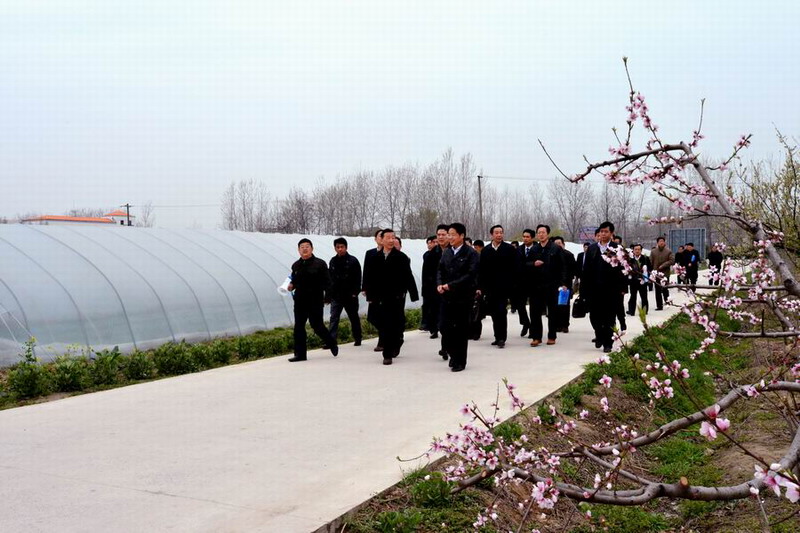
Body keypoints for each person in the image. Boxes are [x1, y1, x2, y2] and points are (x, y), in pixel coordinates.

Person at [368, 229, 419, 365]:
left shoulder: (401, 257)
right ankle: (388, 352)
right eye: (388, 238)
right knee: (385, 324)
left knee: (395, 323)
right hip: (380, 297)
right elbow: (370, 277)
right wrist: (370, 295)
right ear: (382, 239)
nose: (391, 240)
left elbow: (408, 276)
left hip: (396, 297)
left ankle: (395, 343)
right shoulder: (375, 257)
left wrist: (413, 294)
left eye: (393, 237)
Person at [287, 238, 338, 362]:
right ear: (298, 250)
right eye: (302, 247)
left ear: (312, 249)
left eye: (307, 246)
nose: (304, 249)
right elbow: (294, 280)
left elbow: (328, 282)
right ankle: (300, 354)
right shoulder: (296, 265)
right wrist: (291, 285)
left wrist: (328, 297)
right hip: (300, 300)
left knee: (317, 325)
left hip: (315, 300)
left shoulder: (320, 264)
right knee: (299, 326)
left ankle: (331, 342)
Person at [437, 223, 479, 372]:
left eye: (453, 234)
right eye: (449, 234)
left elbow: (470, 275)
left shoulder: (471, 253)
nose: (450, 237)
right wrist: (439, 284)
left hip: (463, 297)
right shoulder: (447, 252)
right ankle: (453, 354)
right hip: (447, 297)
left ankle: (459, 361)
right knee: (444, 327)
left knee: (460, 330)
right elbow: (440, 270)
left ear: (462, 236)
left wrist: (451, 285)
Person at [581, 221, 626, 353]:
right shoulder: (592, 248)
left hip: (611, 289)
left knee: (609, 317)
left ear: (611, 233)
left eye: (606, 232)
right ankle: (599, 334)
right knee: (594, 316)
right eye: (601, 231)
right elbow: (586, 270)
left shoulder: (617, 248)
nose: (603, 234)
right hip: (594, 289)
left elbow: (623, 269)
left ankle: (608, 343)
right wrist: (583, 290)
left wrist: (622, 288)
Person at [478, 225, 518, 348]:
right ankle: (497, 336)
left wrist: (512, 286)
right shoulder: (486, 250)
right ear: (492, 234)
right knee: (494, 313)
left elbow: (514, 268)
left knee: (501, 312)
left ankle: (502, 338)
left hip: (503, 288)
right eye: (496, 232)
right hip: (490, 288)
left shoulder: (509, 249)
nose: (499, 235)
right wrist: (481, 287)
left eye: (501, 232)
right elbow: (482, 271)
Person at [528, 225, 569, 346]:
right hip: (536, 285)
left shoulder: (555, 248)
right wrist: (533, 264)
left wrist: (564, 283)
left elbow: (563, 266)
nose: (541, 235)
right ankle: (536, 337)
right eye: (539, 232)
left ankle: (552, 336)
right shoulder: (534, 249)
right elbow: (526, 264)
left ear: (548, 234)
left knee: (552, 312)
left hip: (552, 285)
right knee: (535, 312)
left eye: (543, 232)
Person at [327, 237, 362, 347]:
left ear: (346, 247)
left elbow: (358, 278)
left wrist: (355, 292)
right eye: (338, 247)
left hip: (350, 295)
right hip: (336, 295)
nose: (340, 249)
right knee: (334, 318)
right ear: (335, 248)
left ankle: (358, 338)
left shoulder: (353, 261)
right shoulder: (333, 261)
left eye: (342, 247)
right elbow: (330, 278)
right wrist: (329, 294)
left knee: (353, 317)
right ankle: (331, 341)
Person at [362, 229, 384, 351]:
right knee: (372, 317)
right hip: (373, 290)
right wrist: (364, 287)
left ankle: (382, 341)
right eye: (380, 236)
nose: (382, 238)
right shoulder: (370, 253)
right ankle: (386, 334)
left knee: (382, 316)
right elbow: (366, 271)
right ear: (375, 239)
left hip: (385, 291)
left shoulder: (390, 253)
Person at [552, 236, 575, 333]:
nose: (558, 245)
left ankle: (565, 325)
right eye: (556, 244)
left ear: (563, 244)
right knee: (555, 305)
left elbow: (572, 271)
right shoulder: (552, 254)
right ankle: (557, 325)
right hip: (554, 284)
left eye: (559, 243)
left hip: (566, 284)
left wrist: (565, 283)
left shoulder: (569, 255)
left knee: (565, 305)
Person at [626, 244, 652, 316]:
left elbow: (650, 268)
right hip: (633, 281)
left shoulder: (645, 258)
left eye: (639, 249)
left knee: (644, 296)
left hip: (642, 280)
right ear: (633, 250)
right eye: (635, 249)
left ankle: (645, 310)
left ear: (641, 250)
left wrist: (648, 277)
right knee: (633, 296)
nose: (637, 251)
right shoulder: (630, 259)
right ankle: (631, 311)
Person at [650, 237, 674, 310]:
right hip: (656, 273)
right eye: (660, 241)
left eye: (662, 241)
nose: (661, 242)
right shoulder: (653, 252)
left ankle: (667, 302)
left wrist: (663, 265)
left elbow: (672, 260)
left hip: (665, 274)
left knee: (665, 289)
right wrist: (651, 271)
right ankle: (659, 306)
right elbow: (650, 262)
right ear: (657, 243)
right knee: (657, 290)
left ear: (664, 242)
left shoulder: (668, 251)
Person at [420, 235, 438, 331]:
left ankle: (433, 325)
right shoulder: (427, 255)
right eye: (431, 242)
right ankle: (426, 323)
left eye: (435, 242)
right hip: (427, 285)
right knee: (427, 305)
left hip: (437, 284)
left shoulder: (442, 253)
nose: (434, 244)